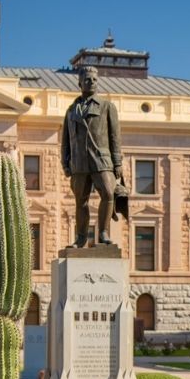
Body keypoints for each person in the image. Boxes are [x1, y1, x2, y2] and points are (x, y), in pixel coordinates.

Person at [61, 66, 123, 247]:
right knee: (81, 201)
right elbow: (65, 139)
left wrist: (117, 162)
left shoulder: (106, 107)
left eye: (95, 80)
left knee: (108, 193)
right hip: (79, 163)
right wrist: (65, 163)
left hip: (101, 160)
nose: (92, 82)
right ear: (80, 83)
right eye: (88, 79)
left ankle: (103, 232)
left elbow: (115, 137)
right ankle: (81, 238)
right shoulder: (71, 110)